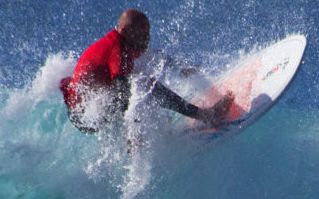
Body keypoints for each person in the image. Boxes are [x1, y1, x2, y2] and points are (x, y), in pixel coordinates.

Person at [60, 9, 232, 134]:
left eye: (148, 33)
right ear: (126, 31)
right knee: (144, 85)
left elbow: (156, 56)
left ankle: (185, 72)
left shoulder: (126, 43)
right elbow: (122, 90)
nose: (147, 39)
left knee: (152, 64)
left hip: (91, 104)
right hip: (85, 116)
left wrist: (180, 68)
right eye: (143, 34)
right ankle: (206, 115)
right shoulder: (117, 50)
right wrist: (132, 131)